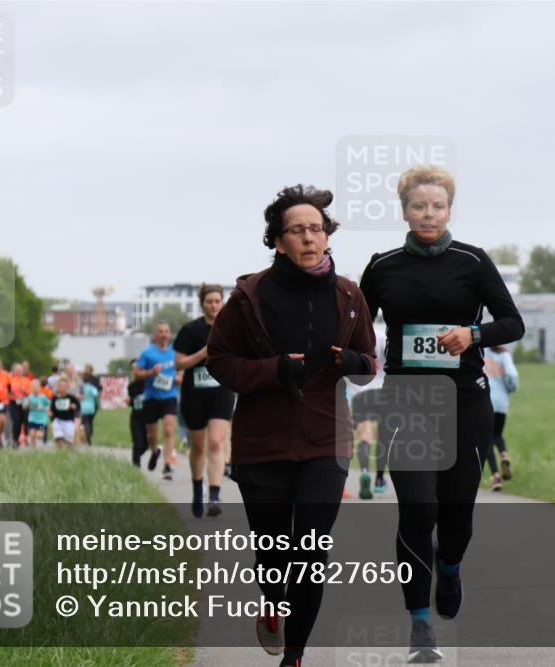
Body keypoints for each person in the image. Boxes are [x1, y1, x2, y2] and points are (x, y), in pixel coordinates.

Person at [359, 165, 524, 662]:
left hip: (465, 399)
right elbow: (358, 330)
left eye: (437, 206)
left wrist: (473, 335)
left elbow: (512, 323)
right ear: (404, 210)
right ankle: (419, 625)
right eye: (418, 206)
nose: (427, 214)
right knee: (417, 509)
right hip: (408, 399)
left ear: (449, 210)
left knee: (456, 514)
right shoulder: (382, 266)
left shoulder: (473, 262)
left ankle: (449, 567)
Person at [207, 184, 376, 667]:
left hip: (327, 439)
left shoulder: (349, 295)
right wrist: (274, 371)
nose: (308, 237)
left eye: (316, 229)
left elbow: (370, 364)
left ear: (327, 237)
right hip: (263, 443)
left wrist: (352, 363)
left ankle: (295, 657)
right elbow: (221, 361)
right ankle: (272, 603)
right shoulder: (249, 297)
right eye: (297, 230)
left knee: (311, 555)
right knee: (275, 558)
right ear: (278, 241)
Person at [174, 283, 236, 518]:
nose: (213, 305)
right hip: (195, 392)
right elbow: (179, 364)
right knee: (199, 446)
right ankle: (197, 489)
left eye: (217, 301)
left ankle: (214, 494)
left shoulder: (230, 329)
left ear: (222, 302)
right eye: (209, 301)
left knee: (217, 443)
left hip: (222, 391)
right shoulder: (190, 330)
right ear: (202, 303)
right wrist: (202, 354)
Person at [134, 321, 180, 479]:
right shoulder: (147, 353)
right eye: (161, 331)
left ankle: (167, 464)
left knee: (168, 429)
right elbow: (137, 374)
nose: (164, 334)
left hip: (170, 396)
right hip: (151, 397)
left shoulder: (175, 352)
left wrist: (180, 378)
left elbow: (182, 369)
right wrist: (151, 373)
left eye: (167, 331)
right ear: (155, 334)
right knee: (151, 436)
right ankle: (155, 451)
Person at [349, 325, 388, 499]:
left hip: (361, 392)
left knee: (365, 434)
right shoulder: (382, 335)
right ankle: (379, 479)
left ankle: (364, 470)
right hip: (382, 391)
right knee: (382, 437)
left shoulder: (353, 334)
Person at [484, 345, 519, 491]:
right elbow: (511, 375)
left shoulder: (481, 351)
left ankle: (496, 477)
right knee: (497, 434)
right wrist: (510, 388)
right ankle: (504, 455)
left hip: (486, 400)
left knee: (487, 440)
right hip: (501, 402)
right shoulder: (504, 354)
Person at [127, 359, 148, 467]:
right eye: (133, 369)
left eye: (137, 368)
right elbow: (131, 402)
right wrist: (129, 402)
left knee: (146, 444)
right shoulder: (131, 386)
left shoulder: (149, 384)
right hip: (136, 417)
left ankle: (136, 458)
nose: (135, 371)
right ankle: (135, 466)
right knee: (137, 443)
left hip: (148, 417)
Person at [49, 377, 81, 449]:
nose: (62, 388)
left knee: (70, 440)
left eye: (64, 386)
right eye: (60, 386)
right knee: (58, 438)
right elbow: (52, 409)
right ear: (58, 387)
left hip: (68, 421)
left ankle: (72, 451)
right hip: (57, 421)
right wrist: (51, 415)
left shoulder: (71, 397)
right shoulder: (55, 398)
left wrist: (74, 407)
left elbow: (78, 407)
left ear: (67, 387)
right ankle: (60, 453)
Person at [8, 363, 30, 447]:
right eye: (17, 370)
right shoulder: (10, 380)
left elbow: (30, 393)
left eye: (20, 370)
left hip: (24, 402)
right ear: (14, 371)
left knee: (25, 421)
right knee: (16, 421)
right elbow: (7, 392)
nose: (19, 372)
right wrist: (12, 394)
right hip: (13, 403)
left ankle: (26, 438)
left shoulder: (26, 380)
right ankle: (15, 440)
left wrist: (23, 390)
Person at [25, 379, 50, 448]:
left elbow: (48, 404)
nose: (34, 389)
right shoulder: (30, 397)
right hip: (32, 418)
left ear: (39, 387)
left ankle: (42, 437)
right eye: (33, 387)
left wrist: (47, 408)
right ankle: (34, 448)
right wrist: (26, 405)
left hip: (42, 419)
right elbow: (24, 405)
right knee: (32, 434)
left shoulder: (43, 397)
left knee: (39, 435)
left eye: (36, 387)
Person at [79, 377, 100, 445]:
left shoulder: (81, 388)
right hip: (91, 408)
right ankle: (89, 436)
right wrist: (97, 403)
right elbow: (96, 394)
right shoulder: (92, 388)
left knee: (83, 423)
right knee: (90, 422)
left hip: (82, 408)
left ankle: (84, 436)